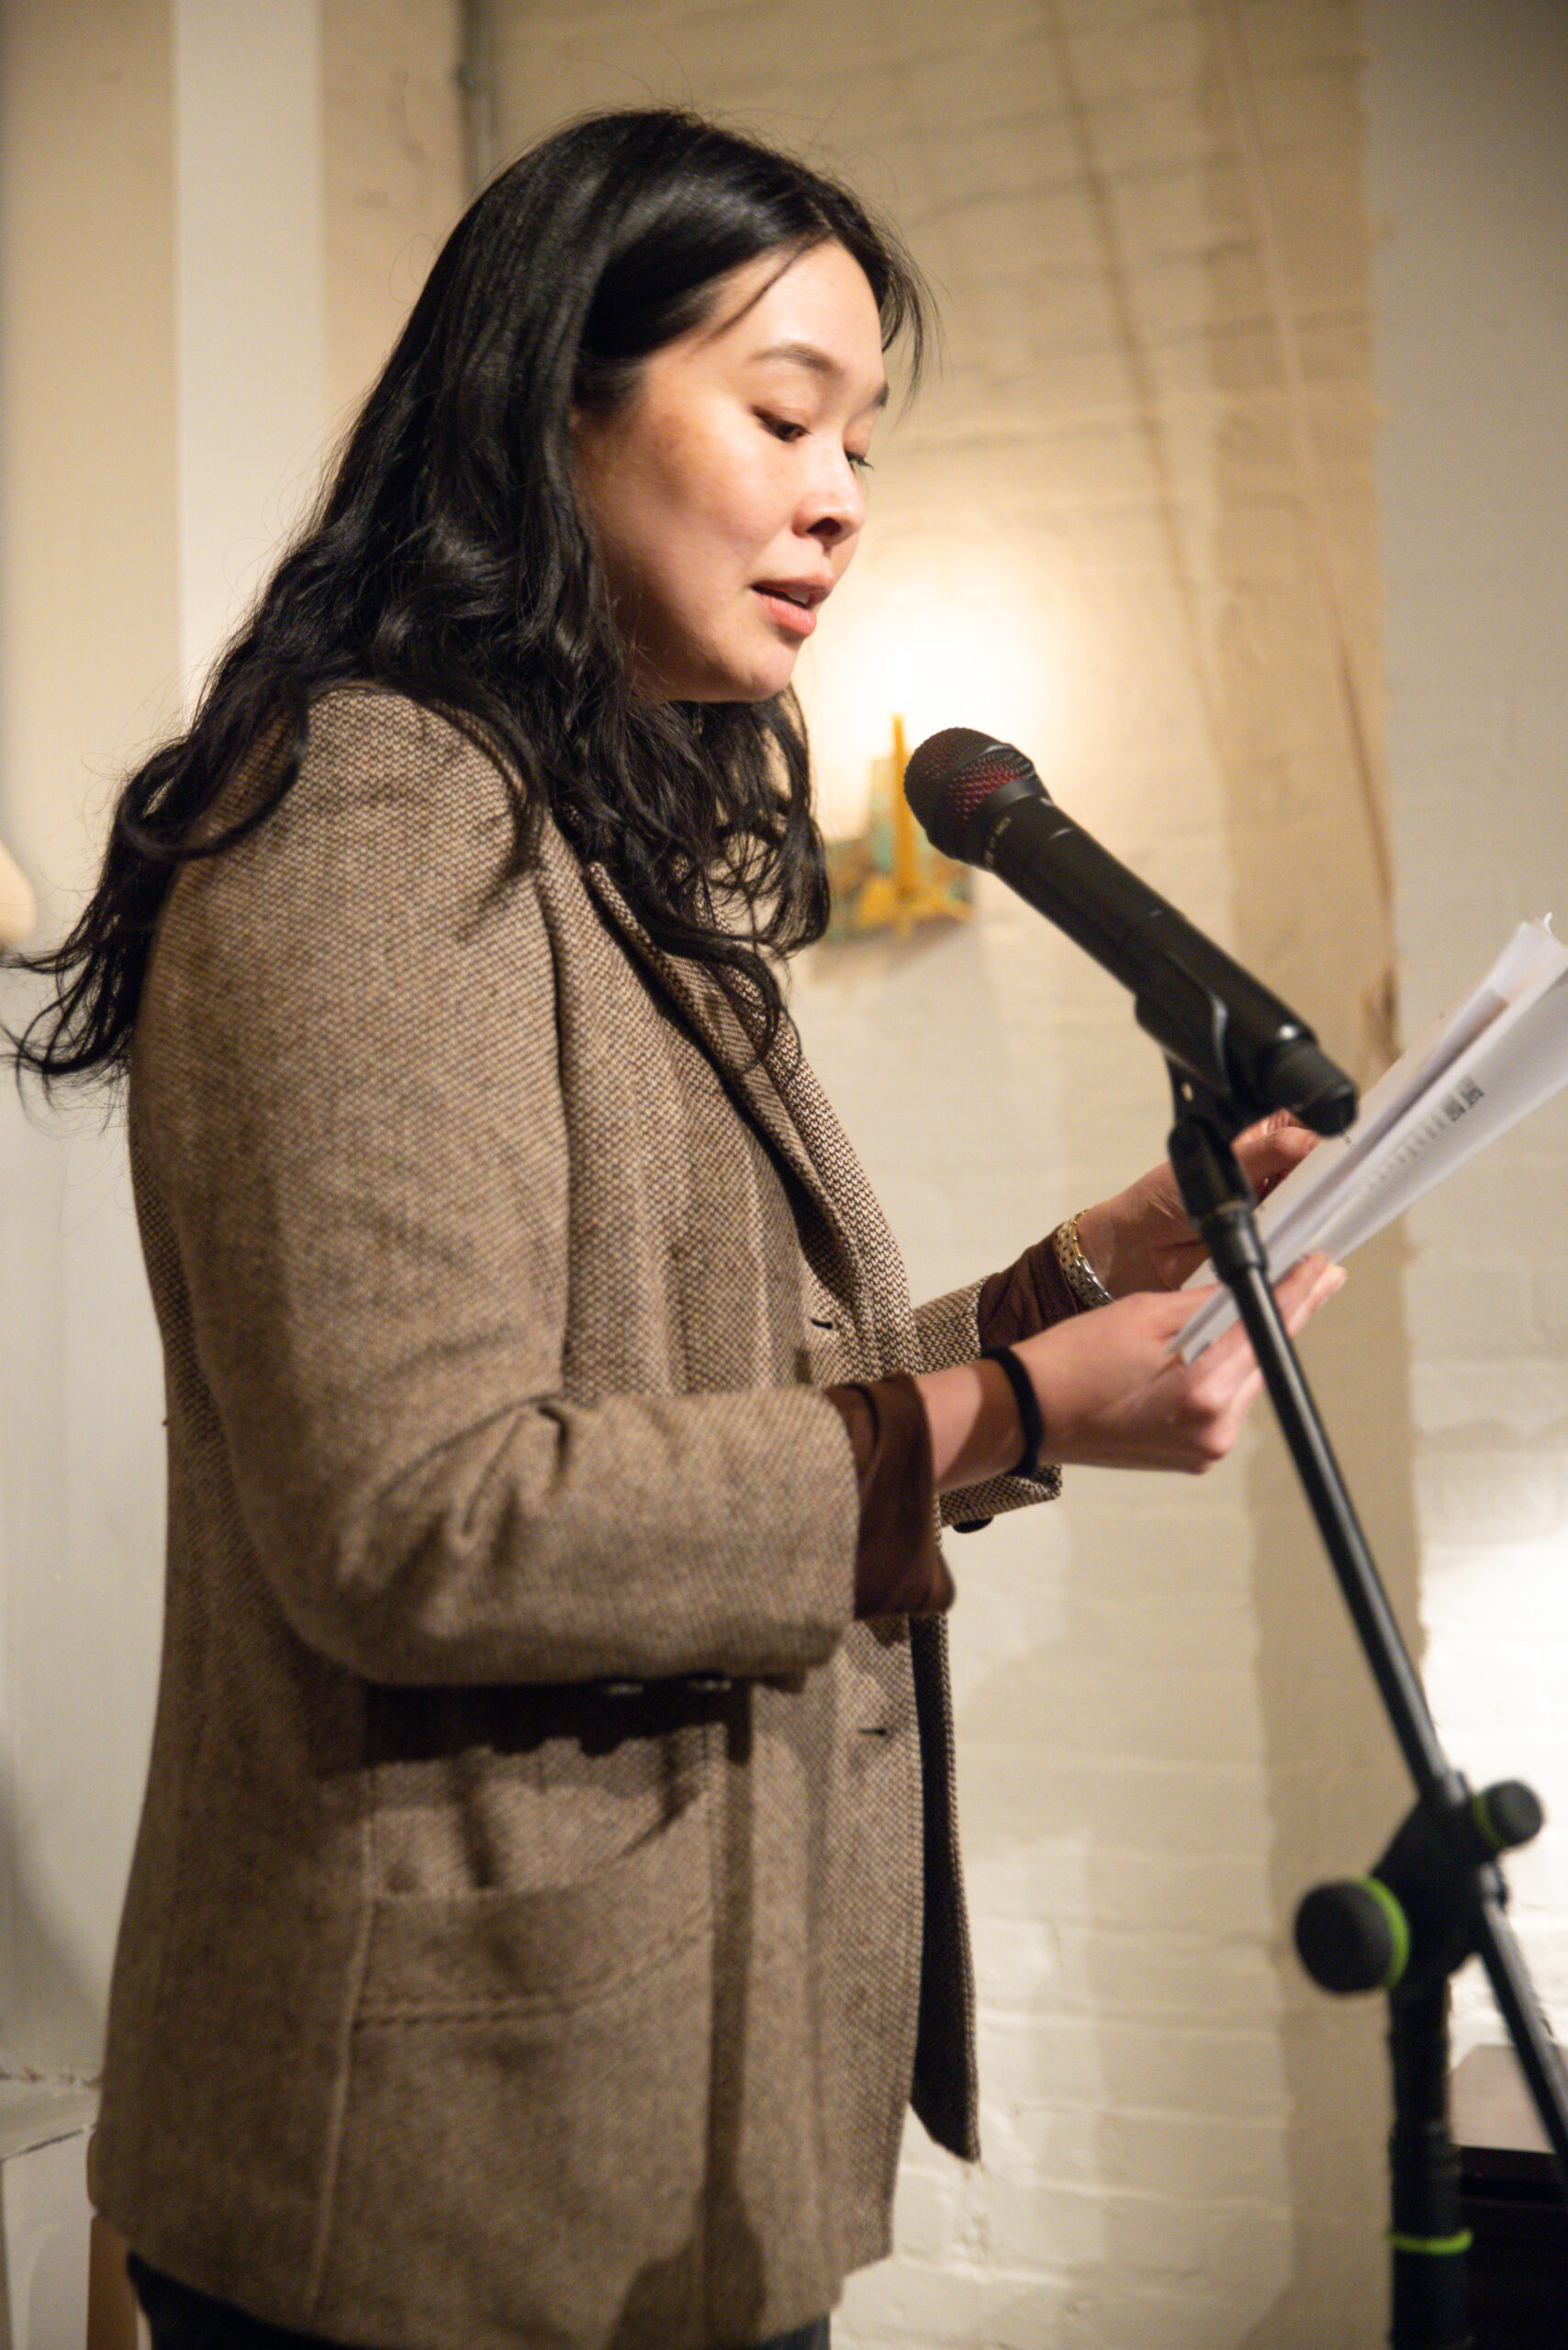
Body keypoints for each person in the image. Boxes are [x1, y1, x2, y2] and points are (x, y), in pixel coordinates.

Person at [10, 108, 1337, 2350]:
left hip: (658, 2110)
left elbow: (703, 1404)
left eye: (862, 443)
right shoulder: (366, 806)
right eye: (781, 414)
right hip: (435, 2170)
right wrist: (1015, 1405)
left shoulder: (598, 848)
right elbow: (423, 1514)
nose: (839, 497)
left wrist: (1075, 1285)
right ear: (553, 405)